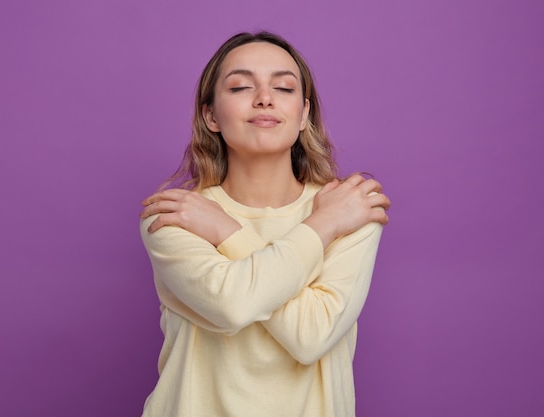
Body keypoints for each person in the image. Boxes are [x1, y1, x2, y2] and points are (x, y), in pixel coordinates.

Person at [139, 31, 390, 417]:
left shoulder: (350, 210)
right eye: (240, 86)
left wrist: (226, 232)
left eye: (284, 87)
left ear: (304, 114)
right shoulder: (176, 214)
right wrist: (324, 225)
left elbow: (311, 336)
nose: (264, 98)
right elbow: (232, 304)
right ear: (210, 115)